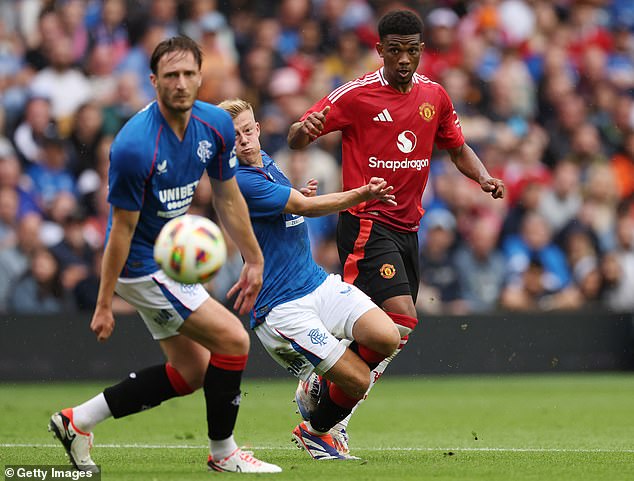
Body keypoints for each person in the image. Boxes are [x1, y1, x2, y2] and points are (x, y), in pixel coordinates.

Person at [47, 36, 281, 474]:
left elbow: (228, 197)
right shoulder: (135, 146)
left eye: (189, 74)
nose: (181, 83)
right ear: (154, 81)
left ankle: (76, 422)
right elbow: (121, 229)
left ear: (200, 76)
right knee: (233, 340)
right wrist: (104, 303)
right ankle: (224, 453)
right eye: (170, 75)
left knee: (191, 372)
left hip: (168, 262)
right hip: (141, 267)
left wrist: (254, 259)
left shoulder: (215, 125)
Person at [287, 9, 505, 448]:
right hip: (367, 222)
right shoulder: (356, 94)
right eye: (395, 50)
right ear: (380, 50)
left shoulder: (435, 96)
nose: (404, 59)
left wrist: (482, 177)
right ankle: (321, 421)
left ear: (421, 51)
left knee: (394, 332)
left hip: (408, 227)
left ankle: (328, 392)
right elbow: (297, 136)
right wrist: (302, 130)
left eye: (411, 50)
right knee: (401, 317)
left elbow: (457, 147)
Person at [218, 98, 401, 460]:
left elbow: (287, 208)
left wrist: (296, 196)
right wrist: (361, 194)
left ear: (257, 128)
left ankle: (318, 379)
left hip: (316, 283)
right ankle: (317, 431)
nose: (244, 139)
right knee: (359, 379)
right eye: (233, 135)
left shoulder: (267, 163)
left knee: (387, 336)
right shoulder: (239, 179)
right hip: (283, 308)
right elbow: (304, 209)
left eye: (248, 129)